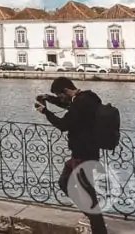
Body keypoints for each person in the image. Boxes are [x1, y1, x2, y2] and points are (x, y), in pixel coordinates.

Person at [35, 77, 108, 234]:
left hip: (83, 156)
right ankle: (92, 218)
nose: (61, 99)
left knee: (90, 199)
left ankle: (98, 228)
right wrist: (50, 98)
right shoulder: (89, 97)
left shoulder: (79, 104)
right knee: (64, 182)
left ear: (67, 91)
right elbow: (69, 105)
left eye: (61, 95)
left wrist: (45, 112)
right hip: (85, 153)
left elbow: (63, 125)